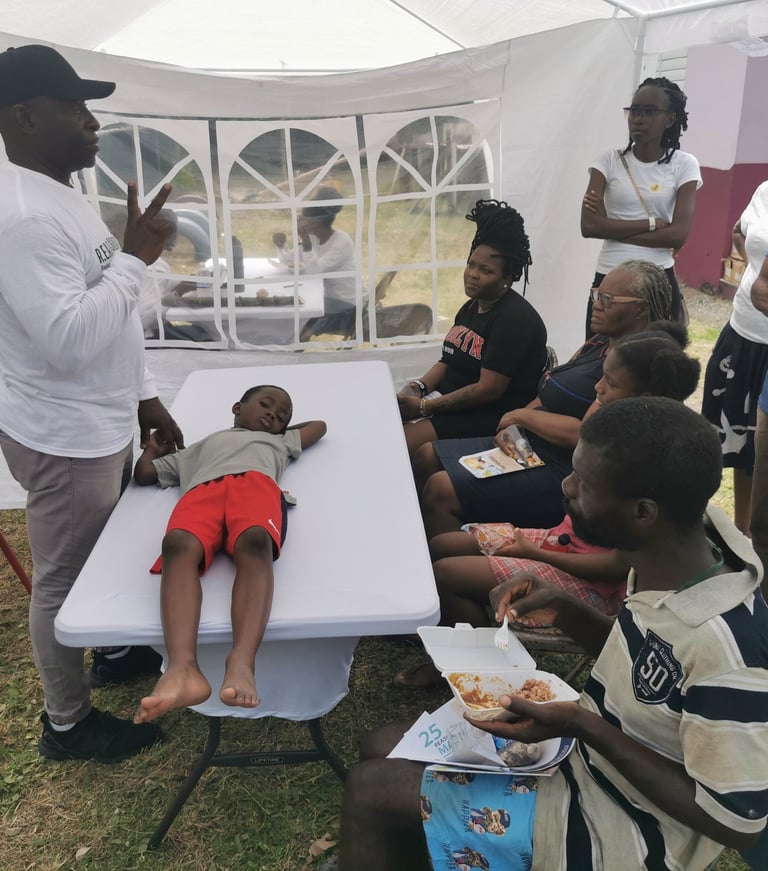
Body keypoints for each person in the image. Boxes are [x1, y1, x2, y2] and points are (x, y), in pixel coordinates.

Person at [337, 398, 768, 871]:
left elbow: (735, 822)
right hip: (584, 758)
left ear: (643, 511)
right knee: (380, 747)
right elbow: (641, 662)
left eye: (583, 482)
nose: (566, 486)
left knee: (369, 791)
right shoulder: (667, 558)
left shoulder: (727, 649)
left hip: (625, 829)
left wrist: (582, 724)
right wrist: (566, 608)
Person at [0, 44, 183, 762]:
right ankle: (68, 723)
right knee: (62, 578)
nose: (91, 121)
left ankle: (111, 651)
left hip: (98, 417)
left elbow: (108, 311)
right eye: (73, 107)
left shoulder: (60, 191)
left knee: (104, 546)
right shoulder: (23, 216)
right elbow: (69, 340)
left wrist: (144, 396)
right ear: (23, 118)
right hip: (65, 430)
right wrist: (135, 258)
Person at [396, 325, 701, 688]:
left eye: (610, 383)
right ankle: (471, 640)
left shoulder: (646, 466)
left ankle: (481, 666)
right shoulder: (614, 431)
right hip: (560, 541)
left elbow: (616, 566)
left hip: (593, 586)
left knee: (446, 573)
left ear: (644, 395)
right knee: (442, 545)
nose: (597, 388)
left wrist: (535, 554)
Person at [417, 260, 673, 539]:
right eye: (596, 294)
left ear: (640, 309)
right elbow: (548, 388)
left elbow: (587, 434)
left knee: (440, 490)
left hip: (565, 469)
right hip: (531, 445)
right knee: (426, 456)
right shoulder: (599, 342)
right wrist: (514, 429)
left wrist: (520, 416)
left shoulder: (634, 369)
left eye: (608, 299)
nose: (596, 304)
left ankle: (450, 559)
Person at [132, 385, 326, 722]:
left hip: (255, 485)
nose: (272, 414)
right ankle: (182, 667)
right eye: (265, 405)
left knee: (255, 541)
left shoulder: (279, 441)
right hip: (201, 491)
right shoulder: (198, 448)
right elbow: (145, 474)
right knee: (177, 544)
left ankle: (242, 660)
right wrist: (151, 449)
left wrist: (278, 430)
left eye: (281, 416)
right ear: (237, 407)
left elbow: (319, 426)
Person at [397, 199, 547, 459]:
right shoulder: (472, 306)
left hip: (486, 415)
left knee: (399, 443)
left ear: (508, 278)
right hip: (449, 402)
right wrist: (418, 387)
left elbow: (488, 390)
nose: (472, 274)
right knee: (386, 422)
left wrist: (424, 407)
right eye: (471, 264)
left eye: (485, 270)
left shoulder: (514, 320)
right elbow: (448, 359)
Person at [581, 76, 700, 333]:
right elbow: (589, 226)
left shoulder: (684, 165)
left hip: (657, 280)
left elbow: (677, 235)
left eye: (649, 112)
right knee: (598, 351)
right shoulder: (608, 161)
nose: (638, 119)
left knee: (655, 353)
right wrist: (652, 224)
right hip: (609, 276)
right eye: (634, 110)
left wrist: (609, 228)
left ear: (670, 119)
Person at [702, 181, 768, 533]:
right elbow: (740, 232)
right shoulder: (765, 191)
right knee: (744, 448)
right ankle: (743, 533)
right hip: (744, 333)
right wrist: (755, 269)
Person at [272, 185, 357, 340]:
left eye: (301, 217)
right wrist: (281, 245)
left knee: (296, 320)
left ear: (314, 222)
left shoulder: (341, 242)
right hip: (323, 299)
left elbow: (313, 272)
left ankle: (295, 346)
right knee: (290, 310)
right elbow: (287, 260)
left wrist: (305, 242)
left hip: (346, 306)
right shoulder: (313, 237)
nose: (298, 220)